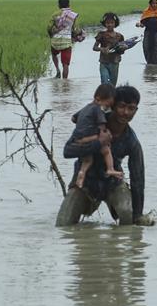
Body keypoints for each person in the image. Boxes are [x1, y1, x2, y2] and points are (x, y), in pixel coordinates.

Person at [56, 84, 150, 226]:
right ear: (112, 105)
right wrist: (98, 143)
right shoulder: (92, 123)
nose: (125, 112)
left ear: (136, 111)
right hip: (85, 183)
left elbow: (138, 180)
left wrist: (138, 215)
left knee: (127, 215)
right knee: (63, 224)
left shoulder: (132, 141)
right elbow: (68, 151)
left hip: (112, 184)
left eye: (131, 108)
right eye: (121, 106)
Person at [68, 83, 123, 188]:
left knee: (88, 160)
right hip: (90, 137)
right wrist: (106, 136)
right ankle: (110, 169)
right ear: (98, 99)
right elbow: (102, 128)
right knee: (106, 150)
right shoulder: (98, 110)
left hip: (79, 139)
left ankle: (81, 173)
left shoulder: (85, 108)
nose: (107, 108)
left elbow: (73, 118)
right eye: (107, 106)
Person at [48, 0, 84, 79]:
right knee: (65, 64)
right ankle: (65, 83)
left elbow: (49, 27)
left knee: (54, 54)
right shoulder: (72, 15)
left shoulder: (54, 14)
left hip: (55, 41)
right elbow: (75, 29)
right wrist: (80, 35)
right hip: (66, 42)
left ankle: (57, 70)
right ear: (69, 4)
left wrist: (51, 35)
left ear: (59, 5)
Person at [93, 12, 125, 86]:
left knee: (112, 85)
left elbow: (121, 51)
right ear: (104, 24)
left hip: (115, 62)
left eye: (111, 23)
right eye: (107, 23)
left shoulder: (119, 36)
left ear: (115, 23)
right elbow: (94, 47)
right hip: (104, 62)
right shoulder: (101, 35)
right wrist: (102, 49)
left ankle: (111, 97)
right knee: (104, 81)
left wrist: (123, 48)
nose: (109, 24)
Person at [137, 0, 157, 64]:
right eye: (153, 3)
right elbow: (143, 24)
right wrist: (139, 24)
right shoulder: (146, 12)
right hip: (147, 33)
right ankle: (150, 65)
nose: (154, 5)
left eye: (156, 3)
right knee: (147, 48)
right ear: (150, 4)